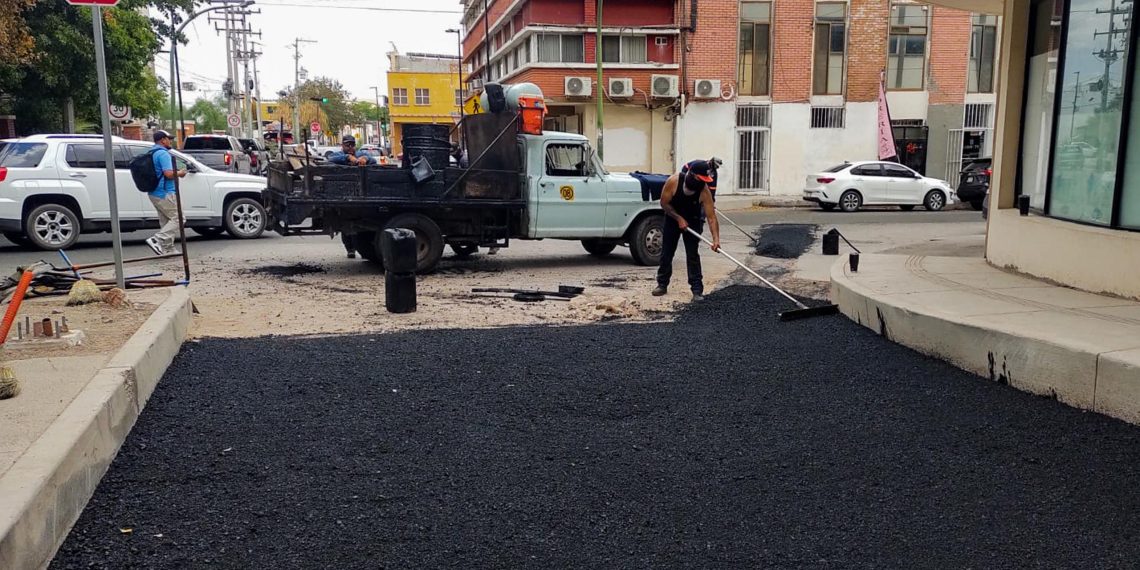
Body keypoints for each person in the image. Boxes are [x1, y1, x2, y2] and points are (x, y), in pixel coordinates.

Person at [652, 159, 721, 302]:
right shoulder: (674, 181)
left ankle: (697, 289)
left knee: (692, 254)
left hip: (693, 219)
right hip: (672, 216)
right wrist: (678, 218)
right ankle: (662, 284)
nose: (703, 183)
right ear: (693, 175)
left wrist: (716, 240)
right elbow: (664, 203)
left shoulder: (704, 191)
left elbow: (711, 218)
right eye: (701, 179)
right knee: (667, 252)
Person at [144, 130, 187, 256]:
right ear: (162, 140)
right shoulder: (163, 154)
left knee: (166, 221)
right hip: (165, 192)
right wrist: (180, 173)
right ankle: (157, 239)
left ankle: (168, 248)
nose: (170, 141)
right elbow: (168, 174)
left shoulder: (151, 152)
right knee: (179, 218)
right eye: (169, 139)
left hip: (154, 192)